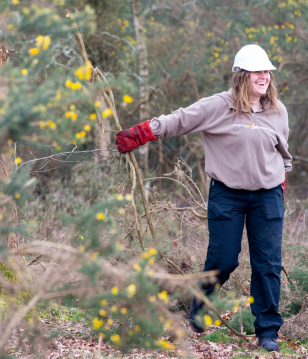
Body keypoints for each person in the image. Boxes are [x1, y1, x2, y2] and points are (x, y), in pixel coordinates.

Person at [115, 44, 291, 352]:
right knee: (223, 260)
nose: (264, 77)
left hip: (268, 196)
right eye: (257, 72)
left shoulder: (277, 111)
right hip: (228, 194)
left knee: (267, 264)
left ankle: (267, 331)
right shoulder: (217, 106)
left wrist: (281, 184)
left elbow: (283, 154)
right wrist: (142, 132)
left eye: (267, 72)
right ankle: (201, 298)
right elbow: (178, 120)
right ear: (241, 76)